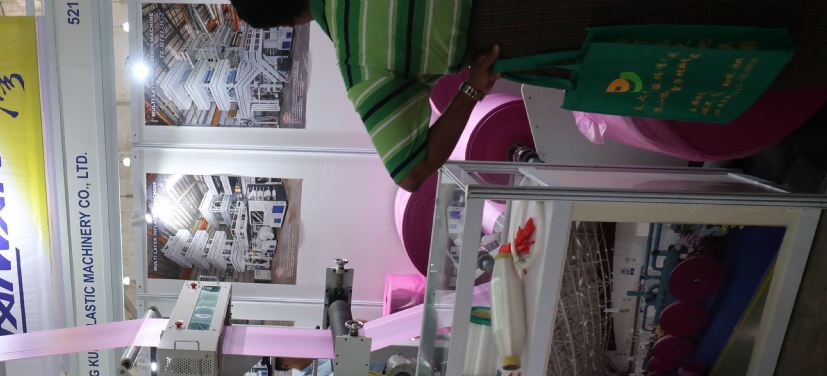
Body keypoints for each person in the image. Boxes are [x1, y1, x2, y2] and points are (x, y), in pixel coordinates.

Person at [231, 0, 827, 191]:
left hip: (527, 31)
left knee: (660, 42)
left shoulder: (360, 59)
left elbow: (411, 171)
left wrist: (470, 90)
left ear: (291, 22)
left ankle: (800, 49)